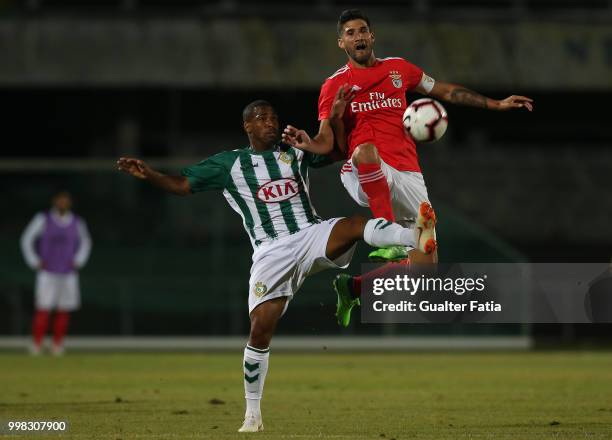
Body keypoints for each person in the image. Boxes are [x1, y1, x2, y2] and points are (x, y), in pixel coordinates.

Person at [116, 99, 435, 433]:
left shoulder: (294, 150)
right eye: (262, 118)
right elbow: (182, 185)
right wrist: (150, 174)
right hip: (271, 252)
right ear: (248, 127)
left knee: (354, 225)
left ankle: (415, 236)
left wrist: (334, 119)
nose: (270, 122)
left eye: (273, 118)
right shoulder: (230, 164)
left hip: (310, 233)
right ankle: (252, 415)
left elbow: (335, 149)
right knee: (260, 329)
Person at [282, 8, 534, 325]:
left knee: (423, 273)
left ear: (372, 36)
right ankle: (387, 232)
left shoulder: (398, 69)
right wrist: (315, 134)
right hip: (362, 169)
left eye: (362, 30)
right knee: (367, 151)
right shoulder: (335, 85)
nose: (357, 36)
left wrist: (495, 104)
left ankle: (353, 288)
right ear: (341, 43)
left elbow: (443, 90)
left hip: (407, 172)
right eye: (350, 33)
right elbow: (326, 140)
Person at [20, 191, 92, 355]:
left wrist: (79, 260)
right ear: (54, 201)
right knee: (43, 308)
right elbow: (26, 238)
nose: (62, 203)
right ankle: (37, 344)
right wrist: (34, 260)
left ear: (69, 203)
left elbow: (86, 241)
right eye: (60, 200)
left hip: (68, 272)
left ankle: (57, 344)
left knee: (64, 309)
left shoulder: (77, 222)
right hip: (47, 272)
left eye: (65, 200)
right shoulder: (43, 219)